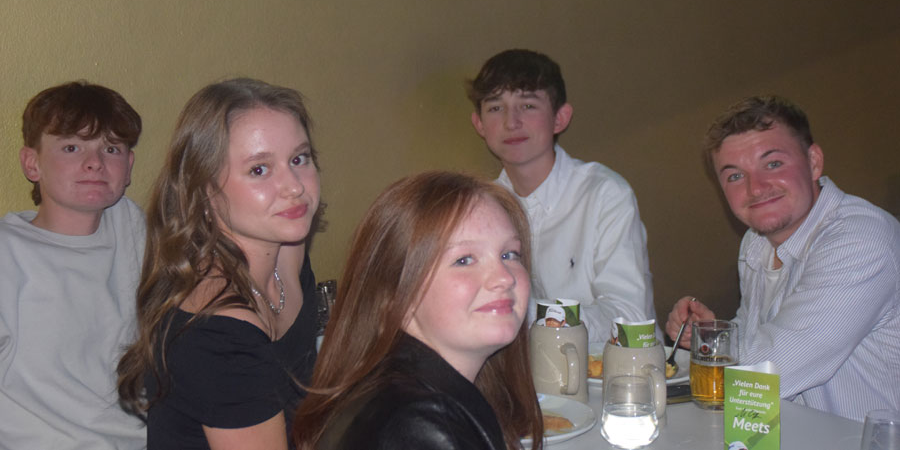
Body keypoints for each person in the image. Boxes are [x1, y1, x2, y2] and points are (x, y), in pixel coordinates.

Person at [666, 95, 900, 421]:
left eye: (773, 164)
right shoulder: (756, 242)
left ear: (814, 161)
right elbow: (760, 337)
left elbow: (769, 372)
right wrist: (710, 336)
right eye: (735, 176)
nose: (756, 188)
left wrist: (709, 353)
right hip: (792, 434)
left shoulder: (861, 241)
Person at [117, 78, 322, 449]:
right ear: (204, 190)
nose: (294, 186)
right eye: (259, 169)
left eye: (299, 159)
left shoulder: (287, 249)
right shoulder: (217, 334)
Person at [293, 171, 543, 450]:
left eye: (509, 254)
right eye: (464, 260)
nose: (504, 278)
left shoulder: (395, 392)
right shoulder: (418, 424)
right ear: (395, 293)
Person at [467, 49, 657, 343]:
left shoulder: (605, 194)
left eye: (527, 105)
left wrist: (527, 313)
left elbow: (629, 317)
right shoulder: (482, 207)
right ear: (479, 124)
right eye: (495, 108)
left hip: (609, 367)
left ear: (560, 118)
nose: (511, 122)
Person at [0, 81, 146, 449]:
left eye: (111, 149)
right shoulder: (8, 253)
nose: (95, 162)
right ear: (32, 163)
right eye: (71, 147)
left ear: (128, 167)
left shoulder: (130, 226)